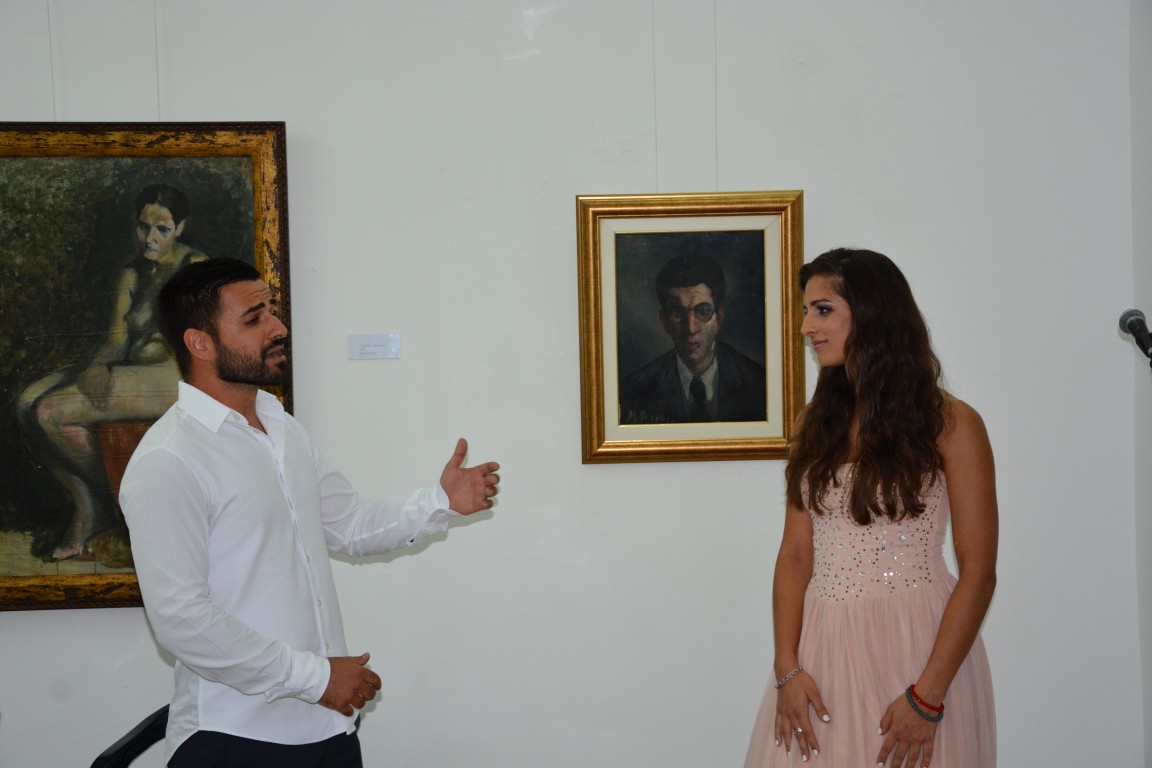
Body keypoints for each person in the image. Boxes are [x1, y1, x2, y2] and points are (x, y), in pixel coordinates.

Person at [118, 257, 501, 767]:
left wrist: (439, 503)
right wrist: (317, 678)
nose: (277, 328)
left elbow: (349, 525)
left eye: (271, 311)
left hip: (329, 730)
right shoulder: (169, 458)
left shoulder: (282, 427)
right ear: (200, 343)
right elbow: (181, 620)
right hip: (233, 740)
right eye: (254, 319)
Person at [743, 248, 997, 767]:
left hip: (918, 646)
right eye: (807, 311)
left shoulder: (952, 424)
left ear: (872, 313)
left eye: (823, 309)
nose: (807, 327)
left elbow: (979, 572)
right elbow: (795, 554)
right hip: (822, 650)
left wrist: (928, 696)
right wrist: (786, 669)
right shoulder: (814, 423)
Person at [16, 184, 208, 561]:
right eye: (143, 227)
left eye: (162, 229)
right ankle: (87, 502)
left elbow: (204, 343)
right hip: (136, 369)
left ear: (181, 228)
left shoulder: (195, 268)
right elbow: (116, 341)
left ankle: (103, 505)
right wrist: (98, 363)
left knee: (49, 413)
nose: (150, 238)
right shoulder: (131, 274)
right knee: (25, 403)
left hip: (175, 376)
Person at [619, 253, 766, 424]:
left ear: (718, 319)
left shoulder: (759, 383)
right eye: (677, 312)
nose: (690, 328)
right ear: (664, 321)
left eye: (703, 311)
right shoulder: (631, 392)